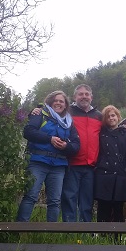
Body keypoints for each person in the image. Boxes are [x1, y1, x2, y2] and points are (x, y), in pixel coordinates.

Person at [34, 84, 102, 222]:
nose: (84, 96)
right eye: (80, 94)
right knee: (69, 198)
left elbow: (112, 129)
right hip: (71, 162)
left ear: (91, 97)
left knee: (87, 201)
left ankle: (85, 233)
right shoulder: (67, 112)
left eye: (86, 94)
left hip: (90, 165)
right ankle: (70, 231)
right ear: (75, 96)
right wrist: (37, 110)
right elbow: (50, 111)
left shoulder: (99, 116)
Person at [16, 91, 80, 222]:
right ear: (50, 102)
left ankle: (50, 233)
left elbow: (76, 145)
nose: (58, 103)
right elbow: (28, 131)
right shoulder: (40, 113)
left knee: (55, 201)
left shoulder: (69, 122)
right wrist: (49, 139)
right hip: (38, 161)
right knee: (31, 196)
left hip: (59, 165)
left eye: (61, 101)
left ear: (65, 105)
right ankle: (19, 231)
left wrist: (65, 147)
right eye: (55, 100)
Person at [94, 106, 126, 227]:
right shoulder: (100, 133)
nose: (111, 118)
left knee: (118, 211)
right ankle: (102, 241)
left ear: (118, 117)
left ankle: (117, 241)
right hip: (104, 175)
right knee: (103, 210)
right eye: (108, 116)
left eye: (113, 115)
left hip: (120, 176)